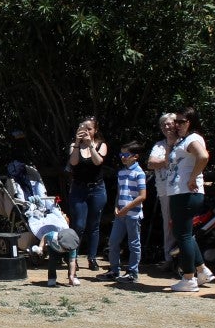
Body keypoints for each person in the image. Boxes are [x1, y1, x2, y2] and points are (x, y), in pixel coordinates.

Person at [166, 107, 215, 293]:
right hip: (180, 192)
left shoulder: (193, 139)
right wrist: (171, 142)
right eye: (176, 121)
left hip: (186, 193)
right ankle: (202, 270)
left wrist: (193, 177)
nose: (176, 125)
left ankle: (188, 278)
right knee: (185, 233)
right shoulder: (182, 141)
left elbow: (203, 156)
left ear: (191, 122)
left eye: (181, 121)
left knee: (183, 235)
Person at [97, 141, 146, 284]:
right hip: (120, 214)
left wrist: (126, 208)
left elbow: (142, 196)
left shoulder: (139, 173)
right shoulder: (122, 172)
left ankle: (133, 272)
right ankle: (114, 270)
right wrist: (116, 207)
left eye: (126, 155)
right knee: (113, 242)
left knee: (134, 244)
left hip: (133, 214)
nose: (123, 157)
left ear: (135, 156)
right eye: (121, 154)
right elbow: (120, 192)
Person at [67, 117, 108, 272]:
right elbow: (74, 163)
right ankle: (73, 258)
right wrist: (78, 144)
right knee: (78, 224)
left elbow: (98, 162)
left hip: (97, 189)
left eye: (89, 129)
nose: (86, 132)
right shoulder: (74, 145)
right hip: (79, 189)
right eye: (83, 128)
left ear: (95, 130)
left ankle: (92, 258)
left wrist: (90, 145)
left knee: (94, 225)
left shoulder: (101, 145)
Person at [146, 113, 179, 269]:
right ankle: (169, 258)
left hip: (181, 189)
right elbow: (151, 163)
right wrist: (165, 160)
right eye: (163, 125)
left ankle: (184, 258)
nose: (167, 127)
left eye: (170, 123)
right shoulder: (159, 145)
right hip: (164, 189)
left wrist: (164, 161)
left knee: (182, 224)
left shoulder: (184, 142)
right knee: (168, 224)